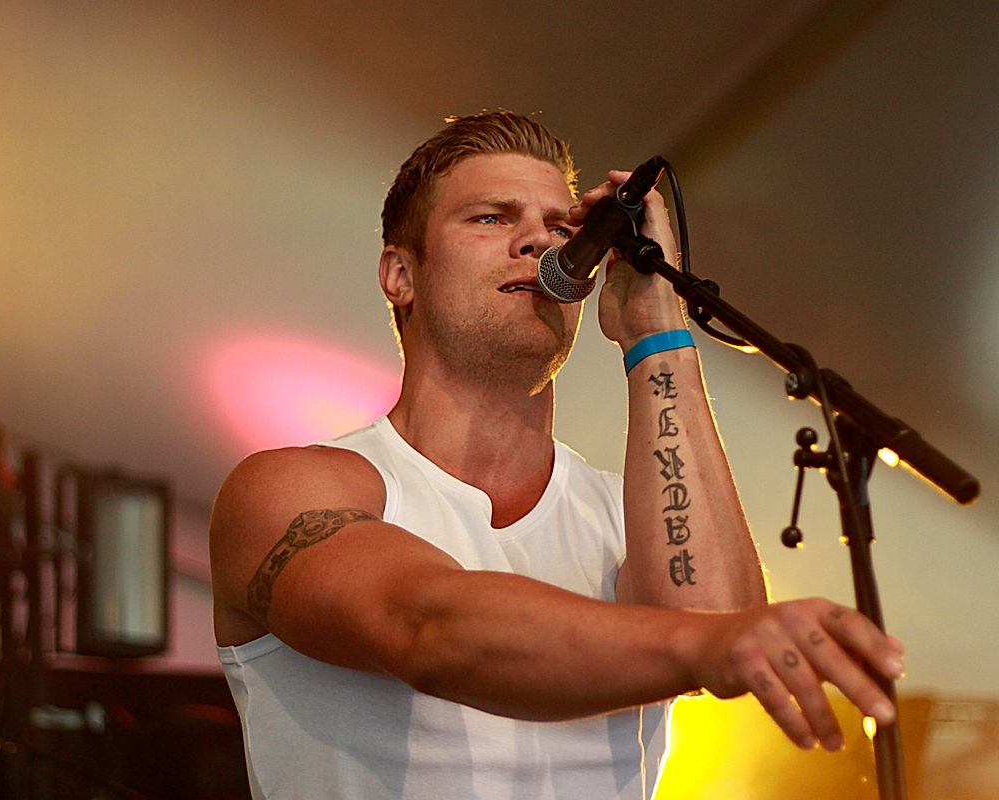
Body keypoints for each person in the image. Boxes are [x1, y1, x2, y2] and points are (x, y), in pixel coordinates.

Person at [208, 111, 904, 799]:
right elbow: (428, 631)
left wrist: (656, 327)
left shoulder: (623, 516)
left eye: (560, 227)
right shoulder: (289, 489)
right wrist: (700, 643)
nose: (537, 239)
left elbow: (720, 624)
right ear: (400, 274)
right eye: (491, 218)